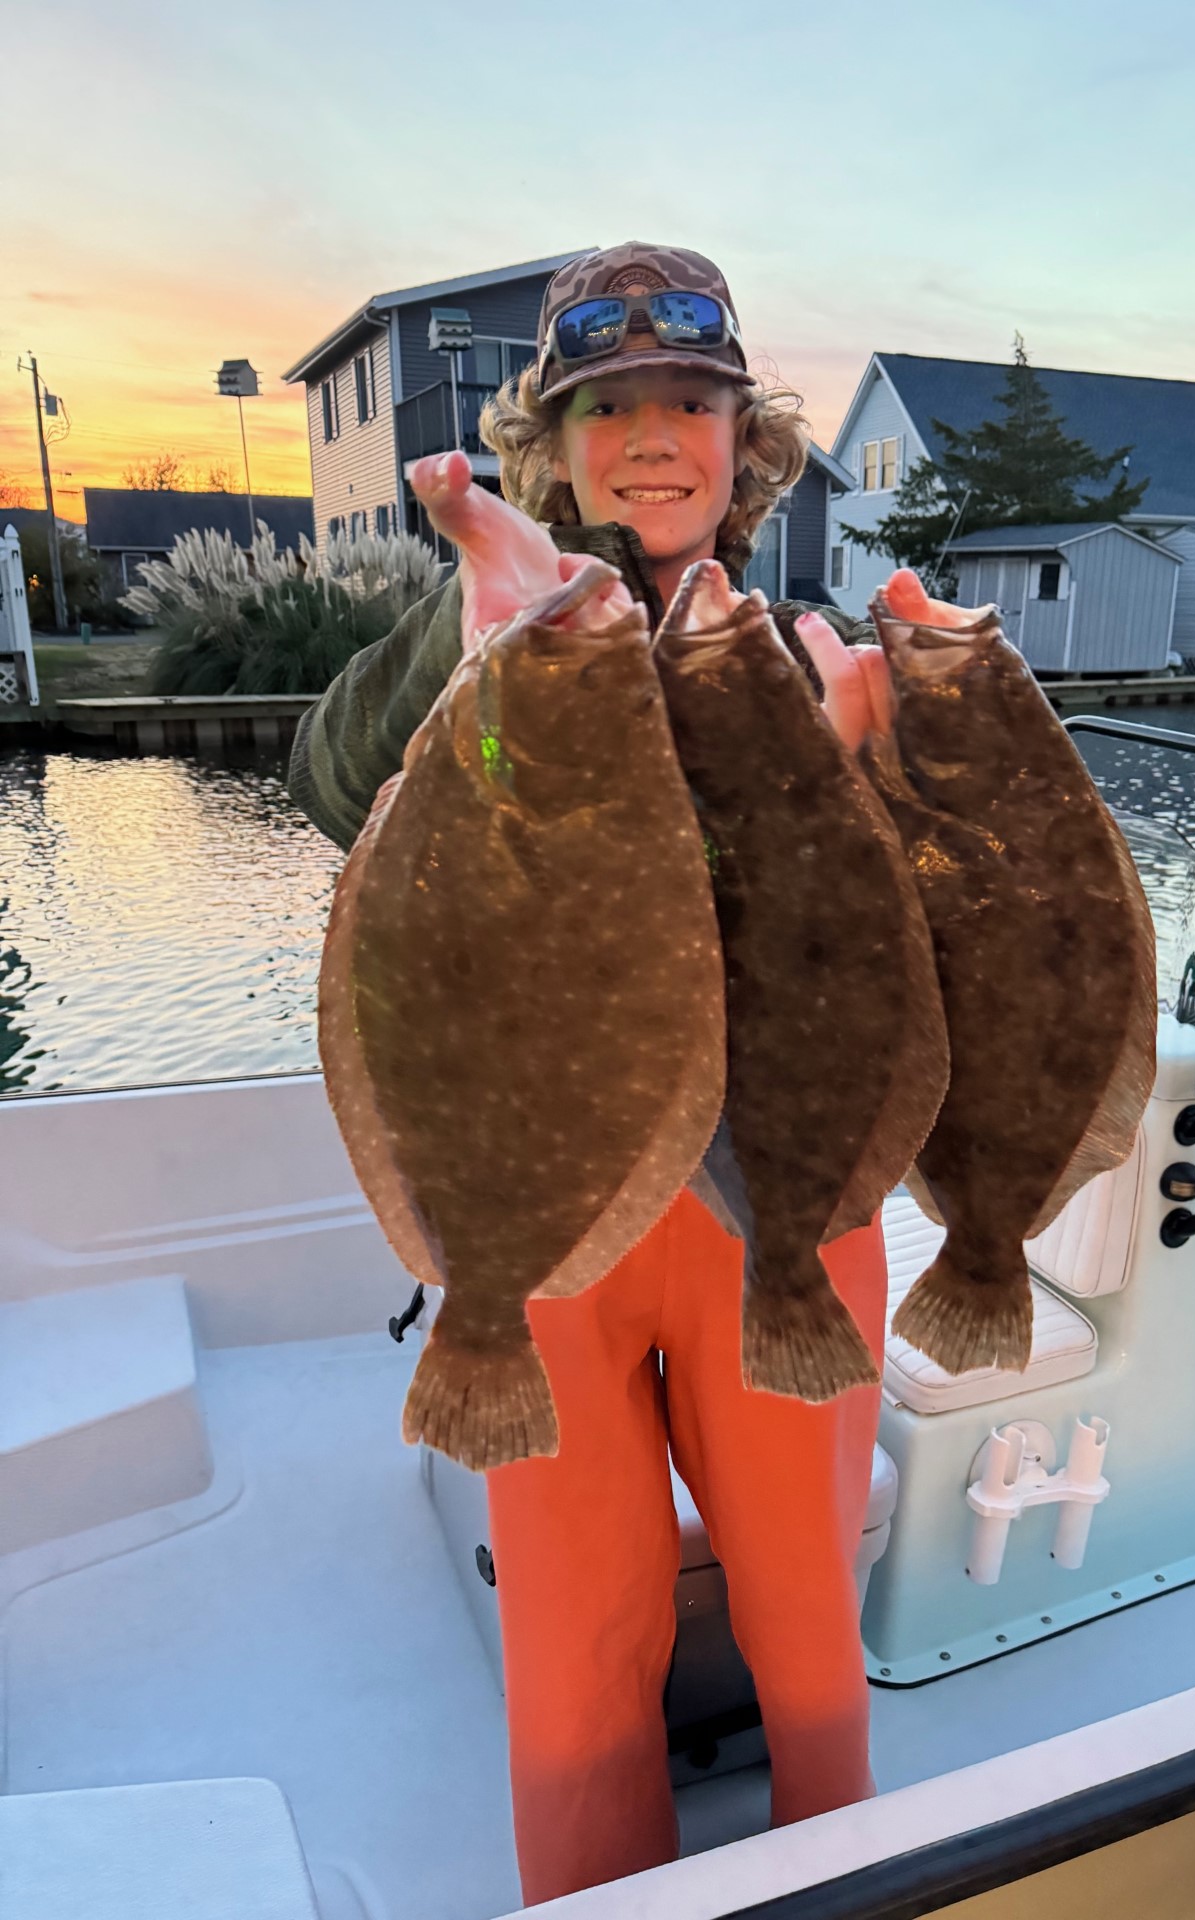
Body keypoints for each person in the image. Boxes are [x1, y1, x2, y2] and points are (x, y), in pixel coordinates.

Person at [289, 241, 954, 1905]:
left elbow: (946, 923)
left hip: (781, 1207)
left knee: (809, 1622)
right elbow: (325, 783)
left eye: (690, 405)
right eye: (608, 410)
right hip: (556, 1209)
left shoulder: (815, 650)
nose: (651, 437)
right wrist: (468, 637)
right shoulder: (483, 627)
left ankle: (836, 1881)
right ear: (553, 445)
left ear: (747, 444)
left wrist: (891, 749)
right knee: (577, 1646)